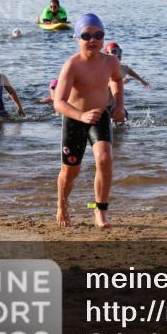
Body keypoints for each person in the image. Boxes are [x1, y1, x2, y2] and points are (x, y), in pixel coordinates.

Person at [52, 14, 125, 229]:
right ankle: (61, 206)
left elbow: (117, 80)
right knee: (70, 171)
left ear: (103, 38)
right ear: (77, 38)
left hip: (100, 116)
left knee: (104, 159)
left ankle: (100, 211)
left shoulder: (111, 61)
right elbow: (59, 102)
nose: (92, 40)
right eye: (86, 36)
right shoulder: (72, 65)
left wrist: (119, 104)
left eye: (98, 35)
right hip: (75, 118)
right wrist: (81, 115)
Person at [102, 42, 150, 123]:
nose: (118, 54)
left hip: (116, 104)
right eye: (114, 52)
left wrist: (142, 81)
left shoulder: (123, 68)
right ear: (106, 54)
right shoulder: (103, 69)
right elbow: (105, 84)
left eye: (119, 51)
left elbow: (131, 72)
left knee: (124, 125)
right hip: (103, 105)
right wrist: (118, 83)